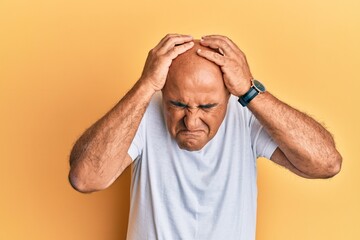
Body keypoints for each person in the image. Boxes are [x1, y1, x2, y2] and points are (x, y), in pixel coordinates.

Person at [68, 34, 342, 239]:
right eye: (178, 104)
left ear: (228, 96)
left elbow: (326, 163)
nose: (192, 121)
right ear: (163, 94)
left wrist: (250, 91)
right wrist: (146, 85)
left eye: (207, 107)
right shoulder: (144, 111)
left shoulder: (244, 112)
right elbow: (85, 178)